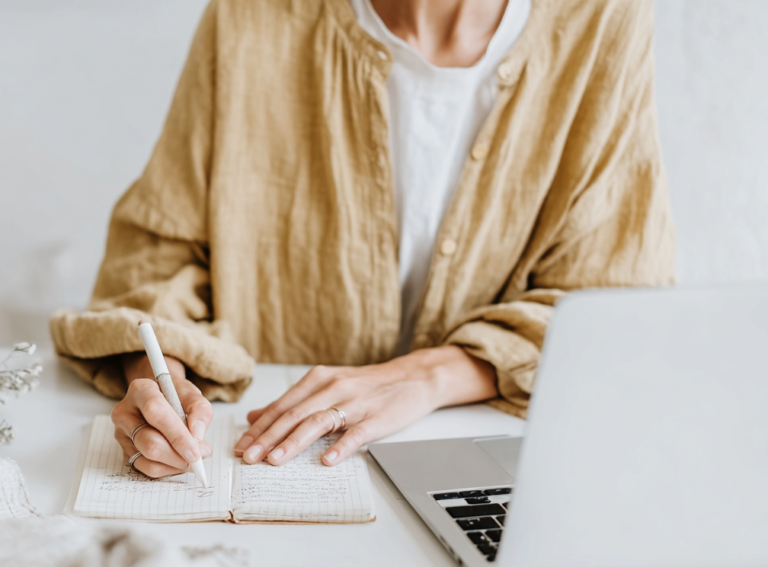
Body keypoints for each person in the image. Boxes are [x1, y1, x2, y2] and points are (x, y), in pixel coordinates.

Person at [50, 0, 674, 479]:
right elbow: (157, 257)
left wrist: (429, 376)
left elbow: (614, 298)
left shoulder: (602, 21)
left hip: (493, 459)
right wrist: (161, 384)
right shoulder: (252, 17)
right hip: (272, 465)